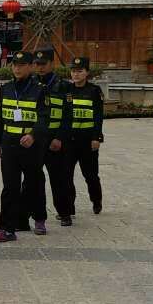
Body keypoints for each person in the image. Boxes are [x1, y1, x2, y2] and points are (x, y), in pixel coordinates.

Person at [0, 48, 50, 242]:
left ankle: (39, 218)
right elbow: (0, 117)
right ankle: (7, 228)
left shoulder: (40, 89)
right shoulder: (6, 88)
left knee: (34, 183)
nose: (17, 69)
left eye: (22, 65)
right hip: (9, 143)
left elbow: (44, 118)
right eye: (15, 65)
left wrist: (33, 135)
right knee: (10, 186)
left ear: (31, 67)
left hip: (31, 145)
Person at [32, 46, 75, 225]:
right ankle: (33, 214)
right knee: (32, 179)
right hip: (35, 139)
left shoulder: (64, 86)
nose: (40, 67)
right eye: (37, 64)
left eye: (43, 64)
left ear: (52, 63)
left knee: (59, 179)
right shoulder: (30, 84)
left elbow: (68, 115)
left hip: (55, 139)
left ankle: (64, 213)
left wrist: (59, 138)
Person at [66, 55, 104, 215]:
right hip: (69, 140)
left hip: (87, 140)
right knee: (66, 176)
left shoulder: (94, 91)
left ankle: (96, 200)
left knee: (90, 175)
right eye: (73, 71)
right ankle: (69, 206)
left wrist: (96, 137)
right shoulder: (67, 90)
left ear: (87, 72)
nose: (76, 74)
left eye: (80, 71)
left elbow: (98, 116)